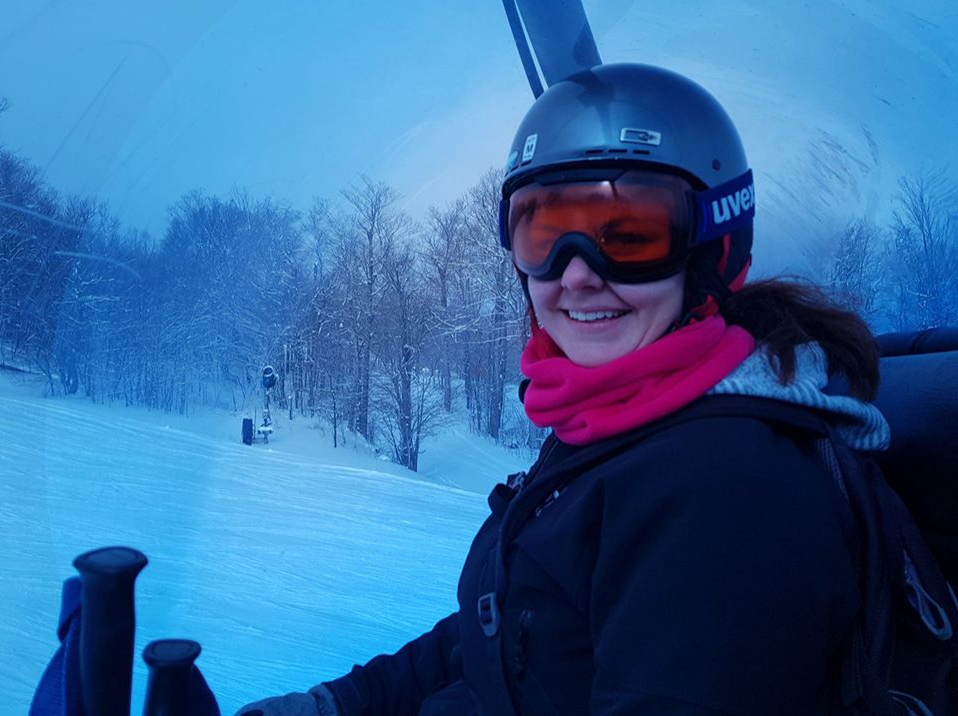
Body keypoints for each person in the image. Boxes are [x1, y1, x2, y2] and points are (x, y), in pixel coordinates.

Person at [236, 63, 888, 716]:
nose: (575, 275)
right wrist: (340, 703)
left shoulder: (722, 490)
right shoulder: (621, 421)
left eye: (629, 237)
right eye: (545, 234)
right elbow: (509, 630)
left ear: (712, 250)